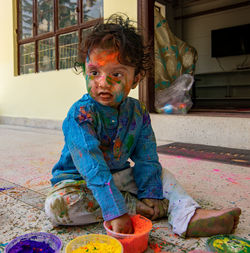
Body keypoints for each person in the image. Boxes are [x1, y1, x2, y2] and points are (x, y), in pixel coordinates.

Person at [45, 14, 241, 237]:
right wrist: (117, 211)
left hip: (119, 177)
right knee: (56, 207)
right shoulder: (79, 115)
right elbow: (92, 169)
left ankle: (186, 216)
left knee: (162, 176)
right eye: (94, 72)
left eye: (116, 74)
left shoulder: (138, 112)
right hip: (78, 183)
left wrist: (150, 192)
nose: (102, 83)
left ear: (136, 78)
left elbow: (147, 157)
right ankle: (135, 206)